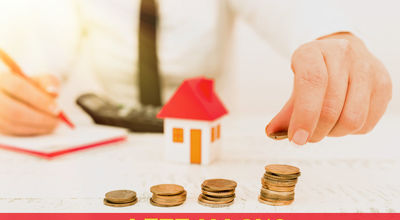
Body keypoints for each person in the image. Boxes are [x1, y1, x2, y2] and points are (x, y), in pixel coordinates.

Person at [0, 0, 392, 145]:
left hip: (208, 137)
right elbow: (42, 36)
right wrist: (21, 90)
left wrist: (333, 37)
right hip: (111, 138)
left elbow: (292, 8)